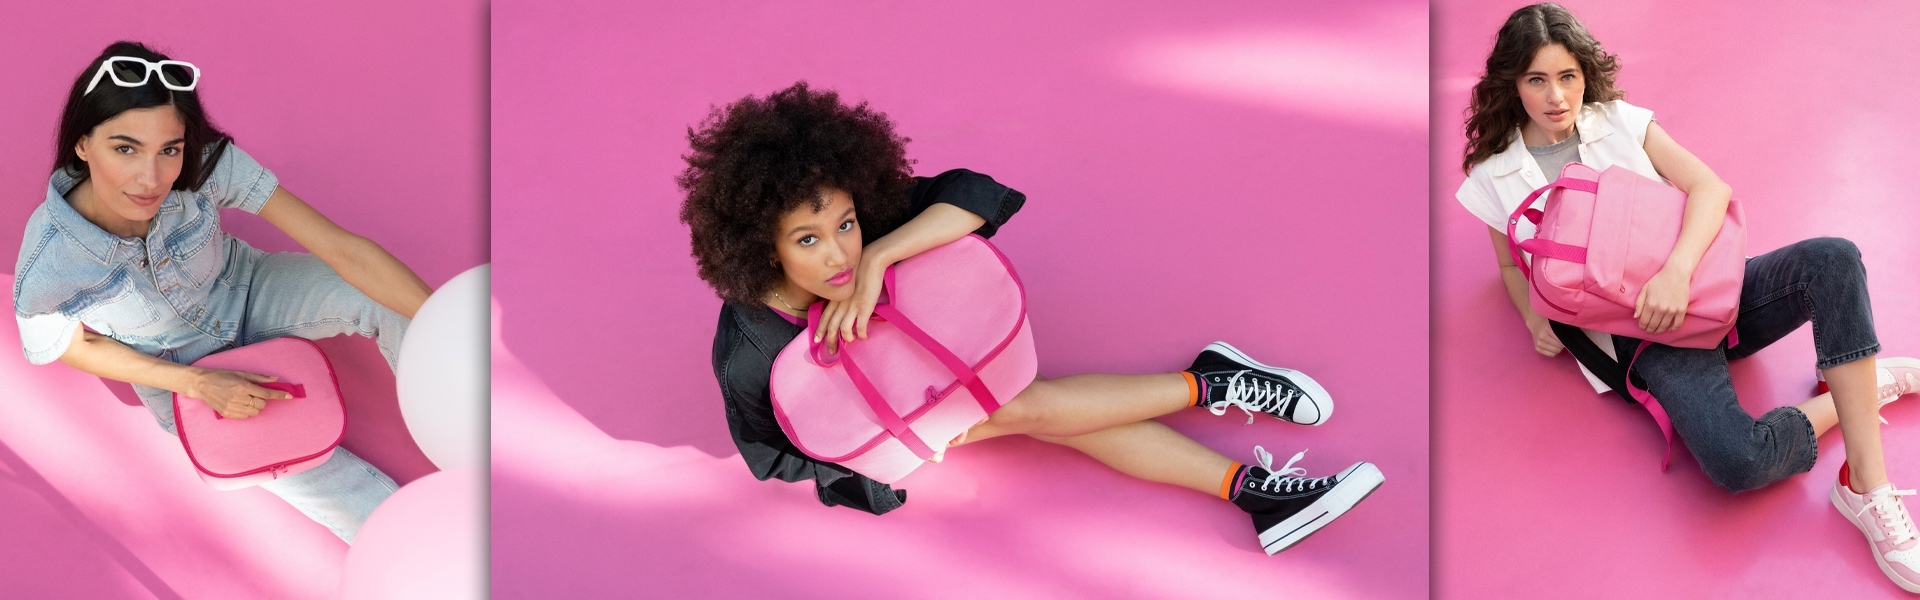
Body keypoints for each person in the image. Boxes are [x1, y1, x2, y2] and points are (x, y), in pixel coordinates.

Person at [678, 81, 1383, 555]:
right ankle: (1233, 437)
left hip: (963, 344)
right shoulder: (749, 347)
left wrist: (882, 254)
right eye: (807, 241)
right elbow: (777, 455)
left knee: (1023, 406)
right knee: (1025, 411)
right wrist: (903, 454)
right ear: (760, 247)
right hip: (910, 421)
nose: (838, 252)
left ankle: (1222, 412)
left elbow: (977, 196)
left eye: (845, 223)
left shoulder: (871, 229)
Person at [1455, 4, 1920, 591]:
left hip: (1705, 288)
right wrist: (1531, 316)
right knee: (1740, 462)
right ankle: (1865, 385)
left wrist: (1676, 272)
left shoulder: (1618, 120)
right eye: (1536, 80)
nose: (1556, 97)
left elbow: (1709, 187)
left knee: (1834, 258)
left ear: (1584, 74)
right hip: (1645, 341)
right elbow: (1508, 262)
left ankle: (1866, 487)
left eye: (1567, 76)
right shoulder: (1493, 174)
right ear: (1512, 82)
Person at [14, 41, 431, 543]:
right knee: (332, 485)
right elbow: (69, 345)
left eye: (169, 149)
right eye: (125, 149)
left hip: (248, 288)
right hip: (178, 368)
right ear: (83, 144)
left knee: (387, 300)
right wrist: (196, 384)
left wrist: (445, 319)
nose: (151, 178)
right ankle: (422, 552)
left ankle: (474, 431)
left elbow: (346, 251)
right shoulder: (49, 261)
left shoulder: (206, 164)